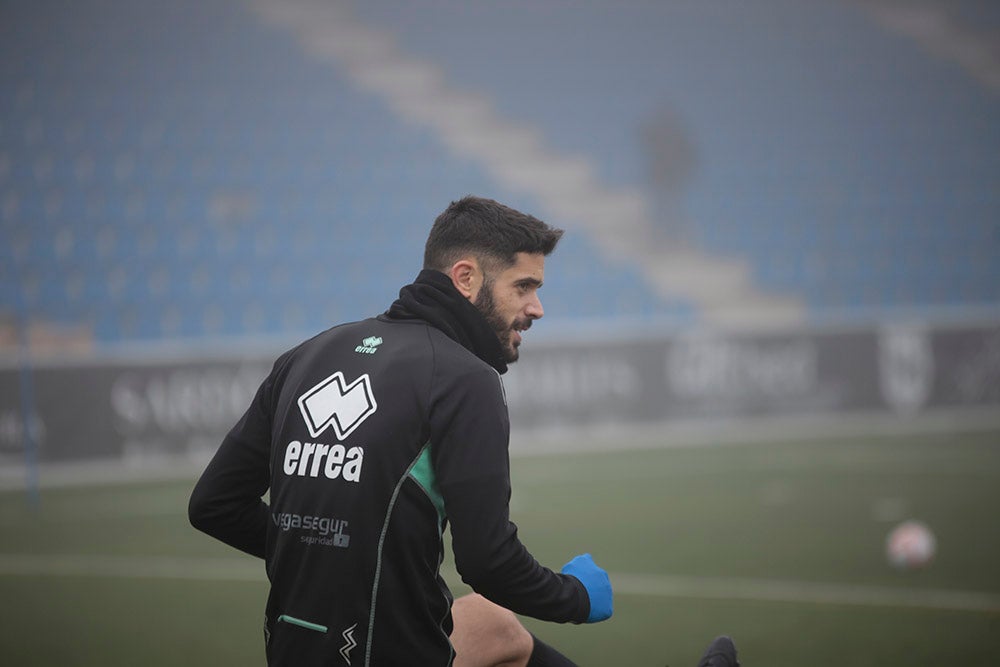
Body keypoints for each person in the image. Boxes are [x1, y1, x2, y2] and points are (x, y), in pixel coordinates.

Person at [189, 196, 613, 666]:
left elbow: (214, 505)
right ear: (466, 278)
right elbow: (488, 563)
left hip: (296, 650)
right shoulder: (466, 380)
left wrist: (329, 549)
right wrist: (577, 598)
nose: (537, 308)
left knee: (496, 628)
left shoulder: (305, 355)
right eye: (524, 286)